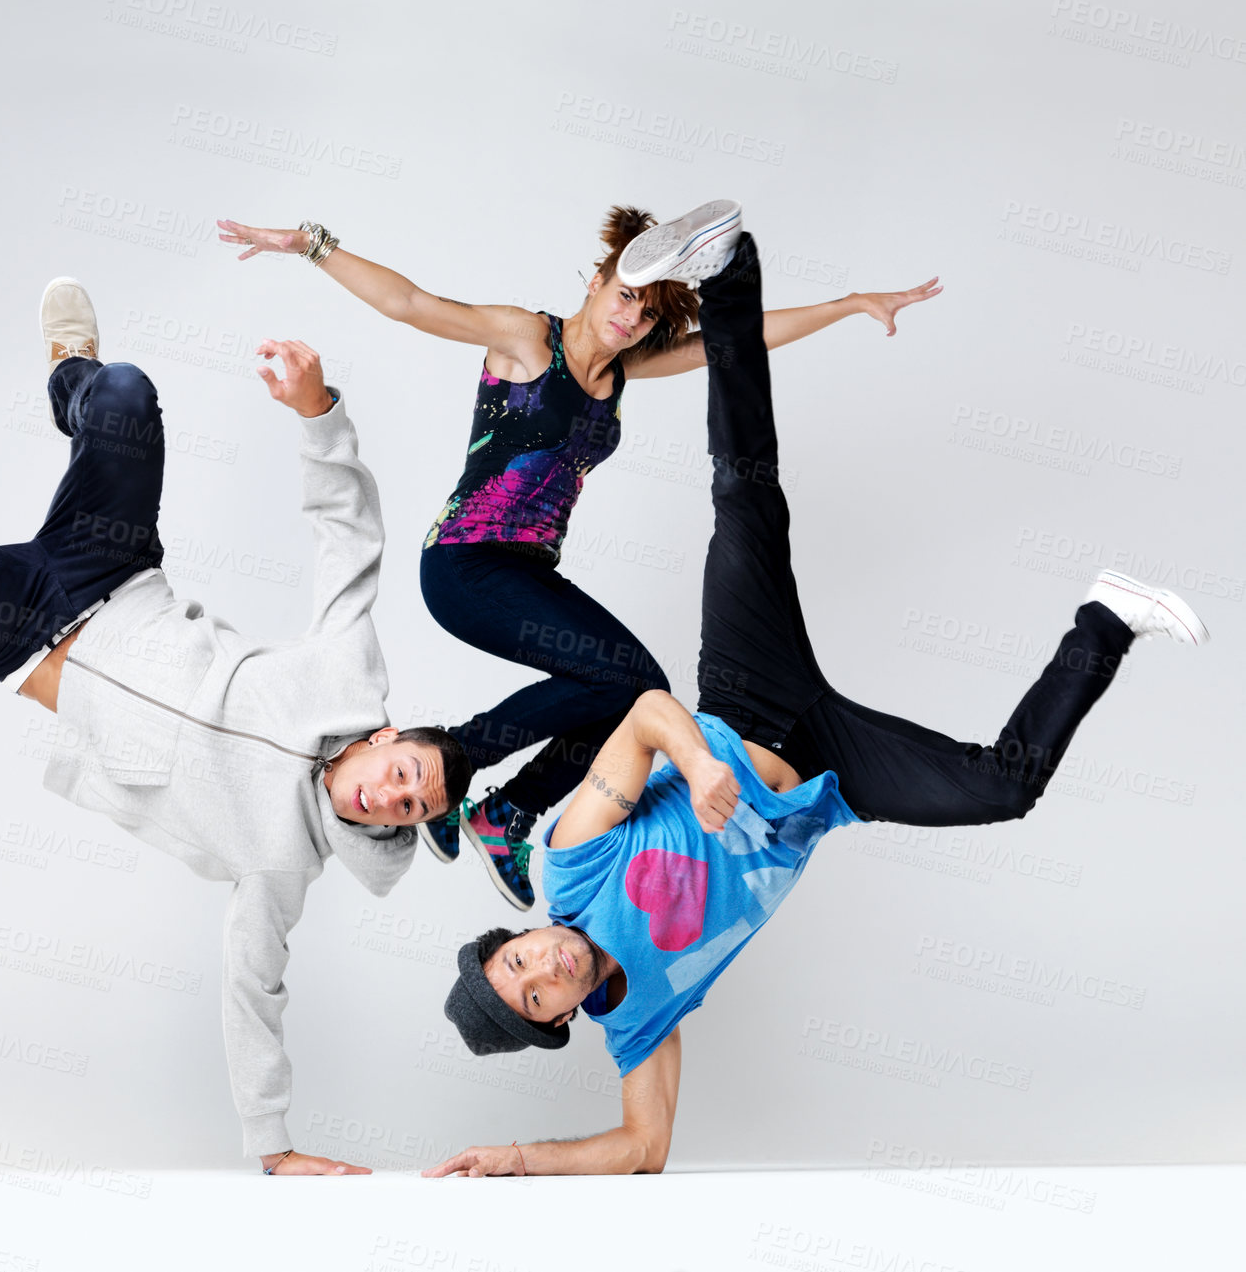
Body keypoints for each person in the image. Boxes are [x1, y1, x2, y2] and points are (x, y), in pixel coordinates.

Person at [425, 203, 1209, 1177]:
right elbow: (643, 1147)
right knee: (1001, 787)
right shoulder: (638, 1020)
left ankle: (727, 264)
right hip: (825, 775)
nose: (545, 972)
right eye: (536, 998)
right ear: (558, 1020)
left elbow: (640, 718)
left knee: (744, 490)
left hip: (748, 697)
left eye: (518, 962)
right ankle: (1107, 617)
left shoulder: (569, 867)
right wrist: (515, 1158)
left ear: (517, 935)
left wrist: (701, 761)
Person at [0, 279, 472, 1177]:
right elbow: (350, 540)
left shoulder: (280, 864)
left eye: (404, 813)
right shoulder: (346, 679)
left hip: (23, 638)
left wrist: (272, 1147)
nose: (390, 799)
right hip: (114, 571)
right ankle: (67, 374)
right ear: (389, 739)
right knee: (124, 393)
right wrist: (320, 416)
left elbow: (254, 990)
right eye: (406, 777)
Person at [216, 206, 940, 914]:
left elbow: (737, 340)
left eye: (648, 313)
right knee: (634, 684)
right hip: (465, 565)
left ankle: (499, 809)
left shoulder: (627, 370)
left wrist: (848, 304)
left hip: (528, 572)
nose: (629, 318)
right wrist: (311, 244)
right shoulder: (529, 339)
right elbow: (411, 303)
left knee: (636, 691)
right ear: (598, 280)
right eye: (625, 294)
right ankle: (482, 788)